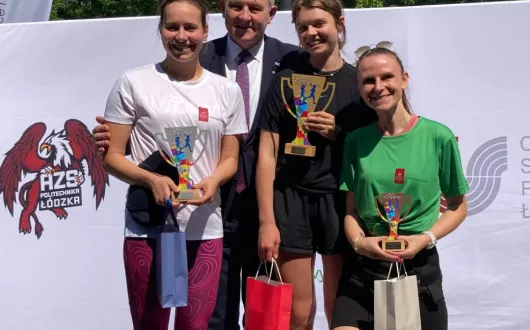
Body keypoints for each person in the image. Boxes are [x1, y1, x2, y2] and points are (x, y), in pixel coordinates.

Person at [92, 0, 298, 328]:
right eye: (172, 27)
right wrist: (150, 180)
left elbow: (231, 157)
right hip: (149, 226)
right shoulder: (133, 82)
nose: (182, 36)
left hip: (207, 227)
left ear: (205, 31)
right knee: (151, 325)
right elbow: (111, 156)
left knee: (197, 326)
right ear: (160, 30)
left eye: (190, 28)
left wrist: (214, 180)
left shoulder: (227, 90)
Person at [255, 0, 377, 328]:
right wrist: (267, 221)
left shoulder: (361, 82)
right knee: (298, 311)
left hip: (341, 202)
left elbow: (377, 148)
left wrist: (339, 134)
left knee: (341, 309)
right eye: (303, 27)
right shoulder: (284, 80)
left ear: (339, 23)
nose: (311, 33)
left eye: (319, 23)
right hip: (290, 199)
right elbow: (267, 152)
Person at [330, 46, 469, 330]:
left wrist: (424, 238)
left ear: (403, 79)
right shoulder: (356, 141)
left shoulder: (438, 136)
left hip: (418, 269)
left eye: (387, 77)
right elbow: (352, 211)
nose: (378, 87)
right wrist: (359, 243)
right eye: (369, 80)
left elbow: (457, 206)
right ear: (359, 87)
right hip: (363, 270)